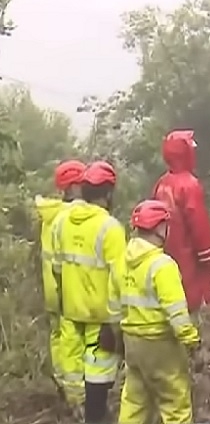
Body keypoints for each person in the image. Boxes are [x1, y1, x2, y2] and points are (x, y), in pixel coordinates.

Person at [52, 160, 126, 423]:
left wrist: (63, 299)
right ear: (108, 193)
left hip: (71, 309)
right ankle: (94, 415)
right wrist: (116, 323)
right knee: (99, 372)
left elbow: (57, 268)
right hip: (100, 314)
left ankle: (75, 410)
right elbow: (120, 279)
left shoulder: (61, 222)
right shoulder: (110, 228)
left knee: (72, 366)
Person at [116, 199, 200, 424]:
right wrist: (191, 340)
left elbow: (114, 305)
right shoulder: (163, 265)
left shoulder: (121, 262)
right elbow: (177, 313)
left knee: (134, 401)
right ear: (160, 227)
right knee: (175, 403)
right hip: (160, 345)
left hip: (132, 343)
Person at [152, 129, 210, 313]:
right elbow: (199, 226)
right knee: (190, 307)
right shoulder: (190, 185)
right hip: (188, 258)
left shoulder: (161, 182)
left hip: (164, 254)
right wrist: (209, 258)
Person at [35, 159, 86, 394]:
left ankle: (60, 379)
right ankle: (76, 393)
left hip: (51, 288)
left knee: (57, 336)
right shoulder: (74, 216)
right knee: (74, 340)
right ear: (74, 186)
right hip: (69, 288)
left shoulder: (49, 214)